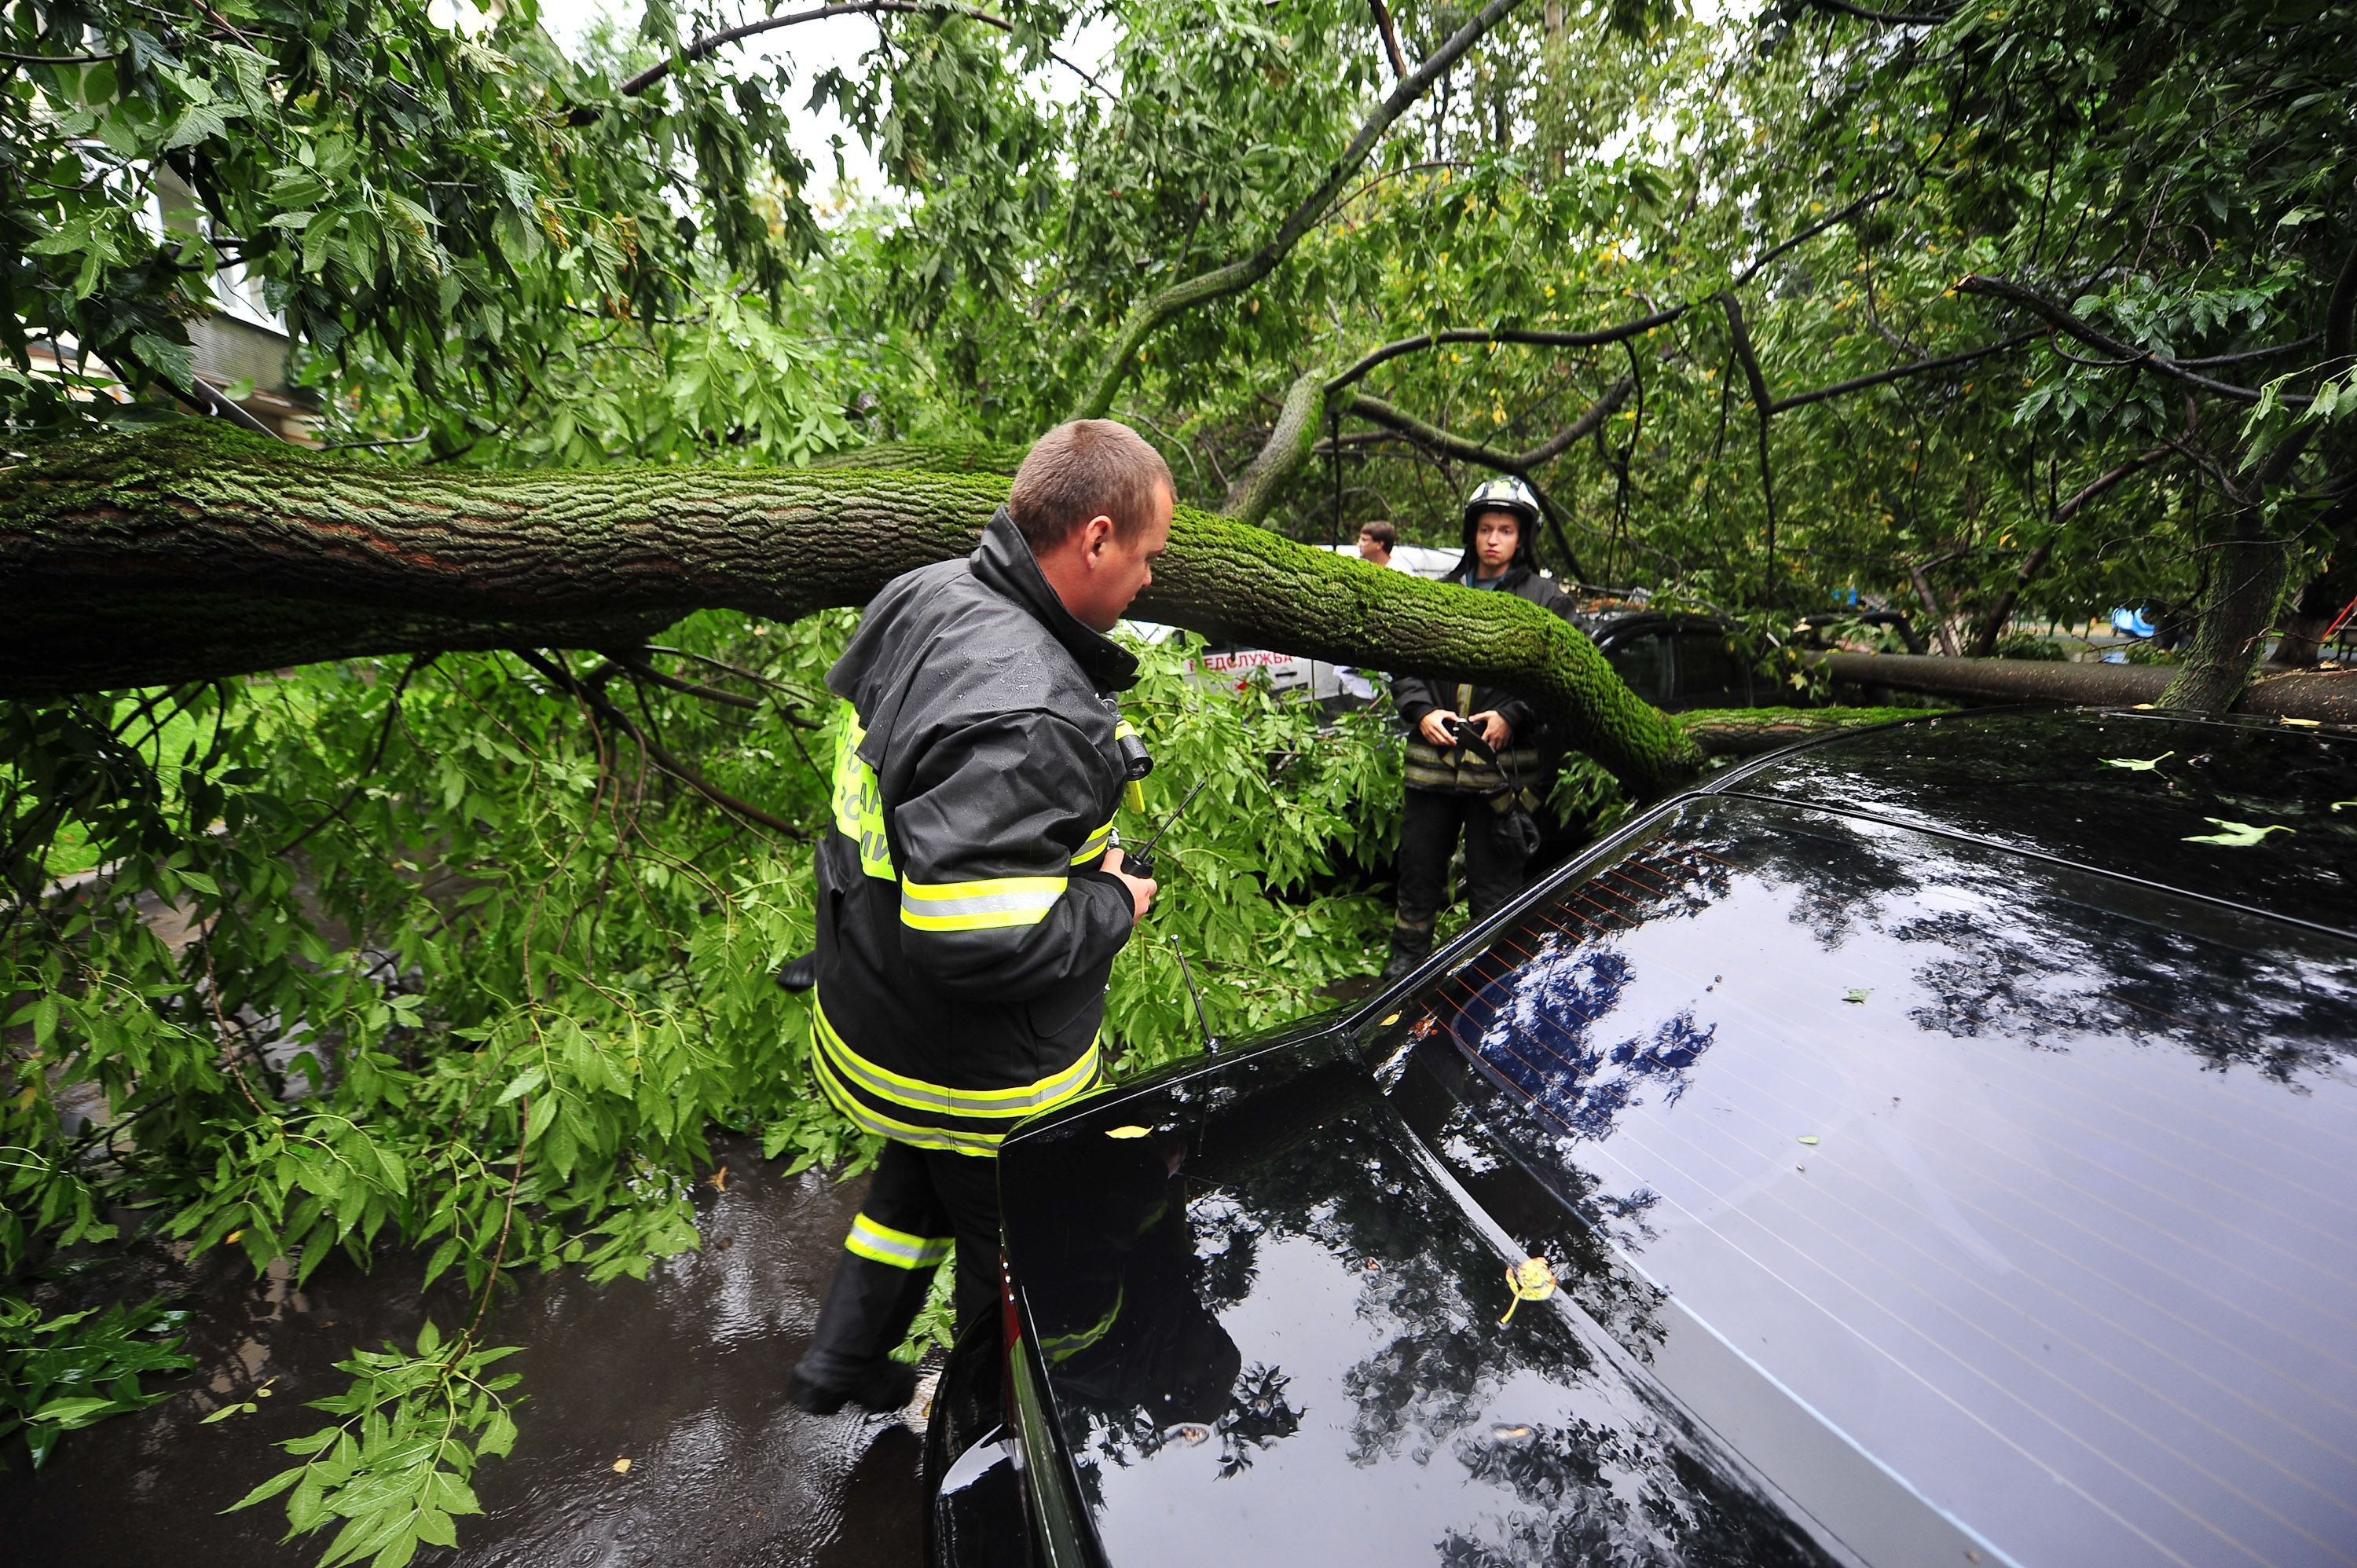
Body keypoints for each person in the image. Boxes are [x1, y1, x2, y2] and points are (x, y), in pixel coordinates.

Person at [786, 419, 1171, 1416]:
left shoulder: (925, 593)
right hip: (976, 1069)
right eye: (1147, 557)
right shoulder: (1033, 709)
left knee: (909, 1193)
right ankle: (980, 1439)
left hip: (881, 1017)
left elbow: (900, 810)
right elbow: (978, 937)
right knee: (1021, 1275)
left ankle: (838, 1365)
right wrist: (1111, 902)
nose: (1148, 581)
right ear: (1093, 538)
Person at [1384, 476, 1572, 980]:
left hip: (1501, 779)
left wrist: (1514, 715)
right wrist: (1422, 711)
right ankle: (1405, 968)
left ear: (1522, 537)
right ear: (1472, 533)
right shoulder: (1437, 595)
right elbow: (1403, 663)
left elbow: (1564, 677)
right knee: (1419, 871)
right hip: (1434, 769)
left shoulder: (1547, 601)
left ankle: (1493, 980)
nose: (1493, 539)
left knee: (1495, 884)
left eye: (1505, 530)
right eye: (1486, 528)